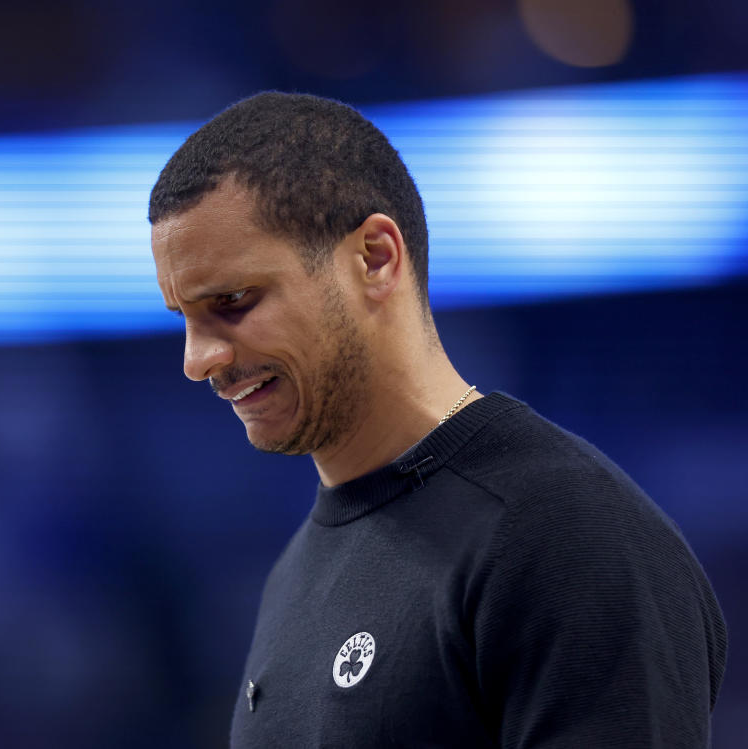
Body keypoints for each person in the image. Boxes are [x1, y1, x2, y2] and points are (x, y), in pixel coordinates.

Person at [148, 92, 727, 748]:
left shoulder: (567, 534)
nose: (199, 359)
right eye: (185, 319)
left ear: (374, 257)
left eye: (232, 301)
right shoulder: (292, 574)